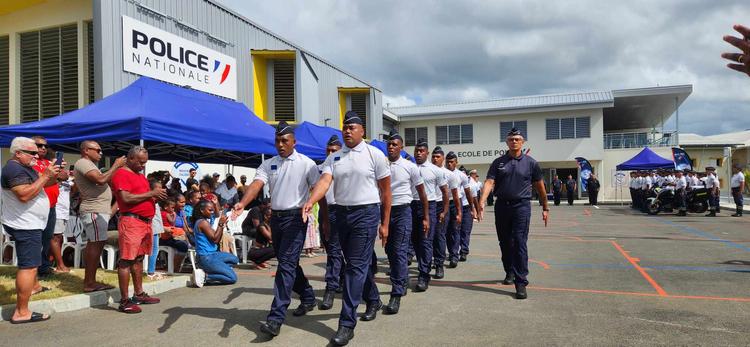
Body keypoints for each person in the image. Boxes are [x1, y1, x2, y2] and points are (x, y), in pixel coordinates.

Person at [303, 111, 392, 346]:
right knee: (354, 265)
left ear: (362, 130)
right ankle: (373, 299)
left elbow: (386, 191)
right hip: (342, 215)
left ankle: (346, 324)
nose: (347, 130)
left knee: (355, 268)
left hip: (366, 213)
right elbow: (324, 182)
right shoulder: (335, 158)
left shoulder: (375, 155)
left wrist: (384, 223)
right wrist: (311, 201)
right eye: (344, 127)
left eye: (352, 127)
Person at [232, 121, 327, 338]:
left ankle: (275, 318)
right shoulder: (269, 164)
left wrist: (325, 219)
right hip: (276, 219)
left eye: (285, 140)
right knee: (289, 263)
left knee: (285, 266)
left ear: (294, 141)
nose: (280, 144)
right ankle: (308, 296)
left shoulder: (307, 163)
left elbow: (318, 189)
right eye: (277, 140)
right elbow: (256, 185)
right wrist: (243, 203)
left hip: (296, 218)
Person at [478, 128, 549, 300]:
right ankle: (509, 271)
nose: (514, 142)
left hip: (521, 207)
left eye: (517, 139)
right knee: (504, 242)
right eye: (511, 139)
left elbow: (540, 187)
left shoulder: (531, 163)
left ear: (523, 142)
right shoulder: (498, 162)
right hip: (501, 206)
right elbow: (489, 181)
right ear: (507, 142)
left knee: (519, 242)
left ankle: (521, 281)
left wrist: (545, 207)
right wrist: (481, 200)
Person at [1, 137, 60, 324]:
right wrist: (44, 176)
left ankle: (33, 288)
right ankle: (21, 312)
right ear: (18, 153)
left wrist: (53, 174)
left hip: (31, 222)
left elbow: (44, 185)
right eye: (32, 152)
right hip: (25, 224)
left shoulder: (24, 168)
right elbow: (25, 195)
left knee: (32, 263)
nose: (37, 155)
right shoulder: (13, 169)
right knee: (29, 266)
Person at [111, 146, 167, 313]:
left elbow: (141, 197)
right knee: (126, 260)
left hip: (145, 223)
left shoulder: (140, 176)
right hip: (132, 221)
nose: (143, 165)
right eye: (141, 162)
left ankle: (139, 293)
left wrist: (155, 197)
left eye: (145, 162)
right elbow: (125, 198)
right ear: (131, 158)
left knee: (139, 258)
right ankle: (124, 300)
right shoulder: (122, 173)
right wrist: (151, 194)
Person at [382, 130, 428, 315]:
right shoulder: (381, 165)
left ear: (401, 147)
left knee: (399, 250)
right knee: (389, 251)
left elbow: (422, 193)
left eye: (395, 144)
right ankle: (401, 280)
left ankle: (397, 292)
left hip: (403, 211)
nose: (391, 147)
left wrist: (426, 216)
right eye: (389, 144)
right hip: (384, 211)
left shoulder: (410, 167)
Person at [74, 141, 126, 293]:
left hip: (98, 210)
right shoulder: (83, 163)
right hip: (93, 210)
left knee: (96, 245)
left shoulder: (90, 164)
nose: (100, 153)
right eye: (97, 150)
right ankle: (89, 282)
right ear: (86, 150)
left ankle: (90, 280)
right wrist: (116, 165)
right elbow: (100, 179)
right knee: (95, 245)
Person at [411, 139, 448, 293]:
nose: (418, 153)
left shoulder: (436, 170)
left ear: (427, 153)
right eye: (416, 151)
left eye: (421, 151)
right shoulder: (409, 168)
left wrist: (444, 211)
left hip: (430, 207)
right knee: (415, 242)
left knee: (426, 241)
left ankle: (423, 275)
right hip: (411, 205)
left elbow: (446, 192)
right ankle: (424, 265)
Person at [31, 136, 68, 277]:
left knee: (47, 238)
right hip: (37, 206)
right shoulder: (30, 163)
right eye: (39, 145)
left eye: (45, 146)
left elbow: (63, 176)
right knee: (36, 239)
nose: (43, 148)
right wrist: (56, 175)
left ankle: (44, 267)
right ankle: (34, 269)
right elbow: (41, 179)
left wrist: (60, 170)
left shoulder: (48, 162)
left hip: (51, 206)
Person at [319, 135, 345, 310]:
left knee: (335, 251)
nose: (330, 153)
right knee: (331, 249)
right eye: (328, 150)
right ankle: (341, 278)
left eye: (334, 151)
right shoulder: (319, 168)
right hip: (325, 212)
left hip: (341, 211)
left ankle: (331, 287)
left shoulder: (344, 167)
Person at [191, 200, 239, 286]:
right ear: (202, 210)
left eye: (212, 210)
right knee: (232, 278)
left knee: (235, 259)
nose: (212, 212)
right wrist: (220, 224)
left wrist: (222, 225)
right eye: (210, 210)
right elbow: (215, 240)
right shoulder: (202, 223)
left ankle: (216, 269)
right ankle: (205, 276)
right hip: (206, 257)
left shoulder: (205, 221)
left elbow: (217, 239)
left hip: (212, 254)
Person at [431, 146, 460, 279]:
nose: (435, 159)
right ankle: (427, 262)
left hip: (442, 206)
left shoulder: (449, 175)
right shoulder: (426, 170)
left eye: (438, 157)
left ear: (442, 158)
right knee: (426, 237)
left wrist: (457, 212)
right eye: (433, 156)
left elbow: (455, 196)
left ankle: (439, 265)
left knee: (439, 235)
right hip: (427, 205)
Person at [445, 152, 476, 267]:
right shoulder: (441, 172)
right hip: (443, 204)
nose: (449, 164)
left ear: (456, 162)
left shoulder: (461, 176)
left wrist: (472, 209)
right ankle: (450, 252)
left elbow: (468, 194)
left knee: (455, 230)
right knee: (446, 232)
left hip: (456, 204)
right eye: (447, 161)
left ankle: (454, 256)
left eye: (452, 162)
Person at [51, 171, 73, 273]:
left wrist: (76, 178)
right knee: (56, 237)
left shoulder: (67, 178)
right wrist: (59, 179)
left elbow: (74, 191)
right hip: (56, 210)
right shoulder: (53, 175)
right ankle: (60, 266)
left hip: (65, 212)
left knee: (59, 238)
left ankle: (51, 263)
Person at [160, 198, 189, 269]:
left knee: (183, 240)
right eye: (181, 202)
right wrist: (174, 216)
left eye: (184, 202)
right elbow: (172, 221)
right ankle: (174, 267)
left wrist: (184, 218)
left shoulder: (162, 213)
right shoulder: (167, 214)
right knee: (183, 245)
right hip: (167, 235)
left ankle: (174, 267)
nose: (183, 204)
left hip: (168, 234)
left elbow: (186, 228)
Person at [147, 181, 166, 280]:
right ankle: (151, 271)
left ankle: (151, 270)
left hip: (156, 229)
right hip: (152, 229)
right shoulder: (151, 201)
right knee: (153, 250)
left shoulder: (156, 201)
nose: (161, 190)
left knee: (155, 249)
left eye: (161, 187)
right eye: (158, 188)